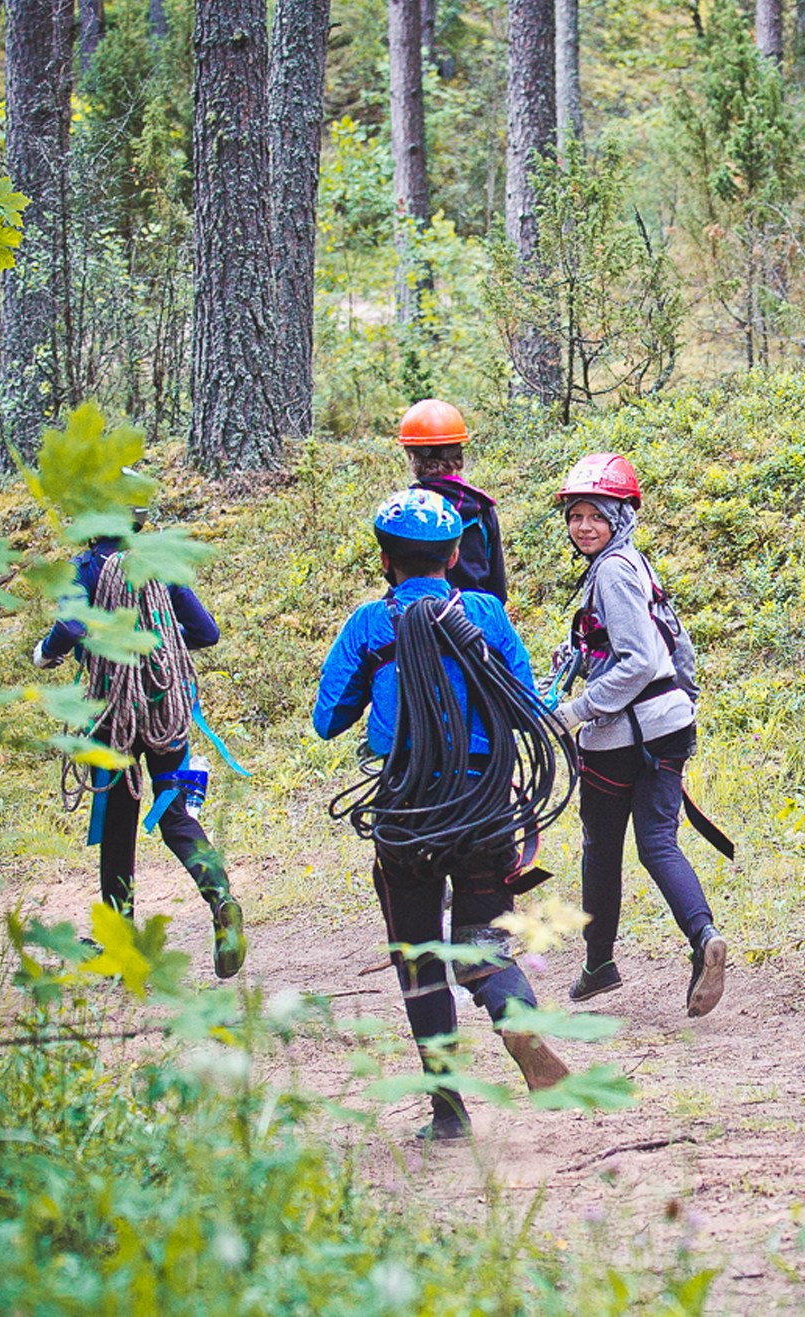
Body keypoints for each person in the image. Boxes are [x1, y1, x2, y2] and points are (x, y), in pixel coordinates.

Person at [313, 488, 571, 1141]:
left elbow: (328, 718)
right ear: (457, 554)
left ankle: (448, 1111)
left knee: (420, 956)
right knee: (483, 940)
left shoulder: (371, 625)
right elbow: (524, 707)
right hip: (484, 806)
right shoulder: (483, 612)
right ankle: (518, 1020)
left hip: (407, 812)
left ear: (383, 561)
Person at [33, 488, 246, 979]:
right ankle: (221, 900)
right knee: (175, 814)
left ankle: (121, 942)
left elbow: (67, 628)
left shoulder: (83, 569)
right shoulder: (158, 565)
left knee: (116, 825)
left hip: (113, 716)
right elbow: (206, 632)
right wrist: (161, 642)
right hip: (163, 706)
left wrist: (48, 653)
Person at [550, 452, 729, 1017]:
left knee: (602, 848)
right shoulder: (633, 564)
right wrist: (683, 704)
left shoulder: (611, 572)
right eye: (576, 515)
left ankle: (599, 964)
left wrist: (575, 711)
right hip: (667, 730)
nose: (584, 526)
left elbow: (635, 662)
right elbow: (677, 645)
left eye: (596, 515)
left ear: (620, 515)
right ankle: (704, 939)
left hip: (626, 741)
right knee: (658, 842)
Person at [397, 398, 507, 599]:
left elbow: (395, 577)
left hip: (416, 617)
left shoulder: (404, 511)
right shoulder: (480, 507)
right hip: (474, 618)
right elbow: (497, 587)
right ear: (458, 456)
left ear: (412, 456)